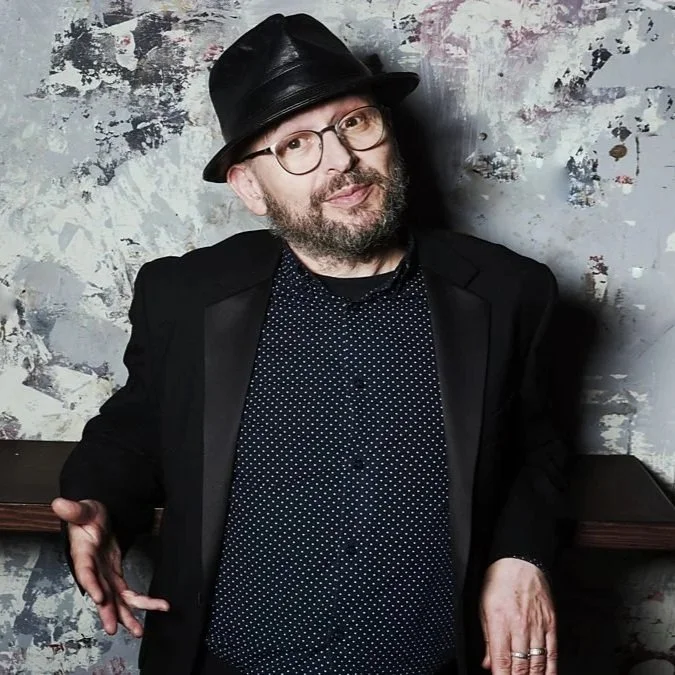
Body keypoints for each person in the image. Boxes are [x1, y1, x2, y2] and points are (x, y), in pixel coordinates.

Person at [52, 13, 568, 675]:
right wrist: (97, 504)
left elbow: (537, 451)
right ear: (249, 186)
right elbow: (136, 432)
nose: (342, 161)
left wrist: (522, 554)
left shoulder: (509, 291)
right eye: (295, 144)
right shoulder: (183, 295)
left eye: (355, 123)